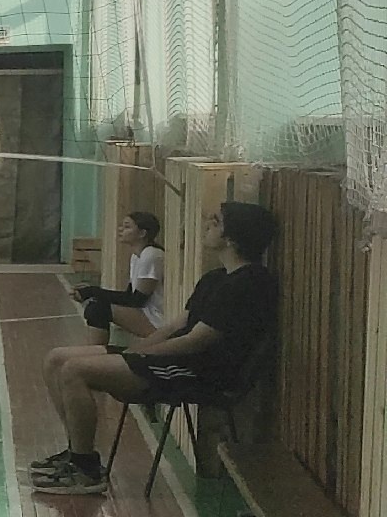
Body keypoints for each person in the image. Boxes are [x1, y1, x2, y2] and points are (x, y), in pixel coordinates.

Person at [28, 201, 279, 497]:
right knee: (55, 359)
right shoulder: (215, 278)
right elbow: (175, 326)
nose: (206, 226)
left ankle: (85, 470)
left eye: (215, 223)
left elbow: (195, 341)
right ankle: (75, 452)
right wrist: (137, 349)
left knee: (74, 370)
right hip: (175, 359)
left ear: (232, 238)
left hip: (198, 370)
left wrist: (141, 355)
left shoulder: (250, 283)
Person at [71, 211, 166, 344]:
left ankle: (97, 352)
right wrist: (91, 291)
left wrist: (93, 291)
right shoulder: (136, 256)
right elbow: (129, 294)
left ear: (142, 233)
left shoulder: (151, 255)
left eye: (127, 226)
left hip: (156, 319)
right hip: (145, 313)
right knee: (95, 305)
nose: (121, 229)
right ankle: (95, 350)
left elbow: (137, 300)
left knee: (98, 309)